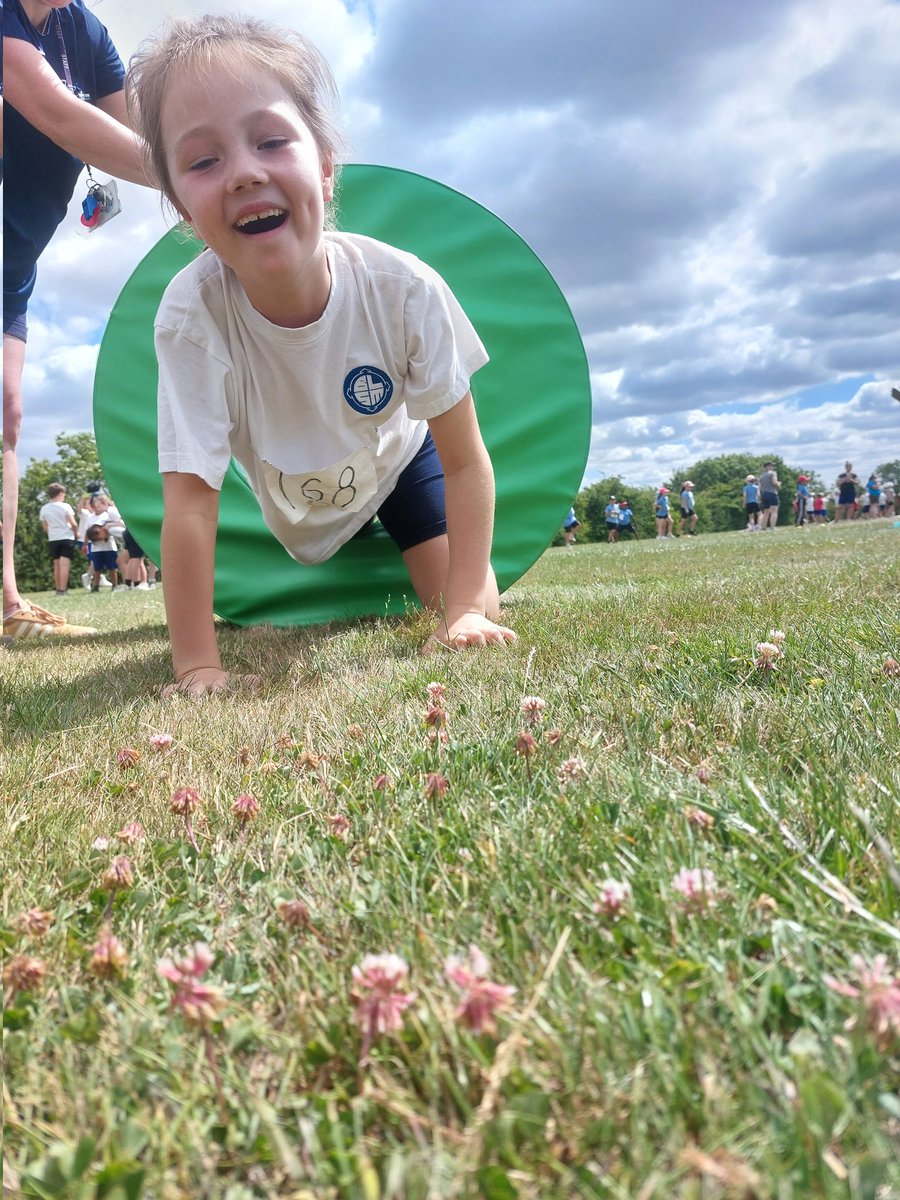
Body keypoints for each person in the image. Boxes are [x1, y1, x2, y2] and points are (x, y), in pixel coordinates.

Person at [126, 14, 517, 695]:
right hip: (292, 495)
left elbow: (463, 458)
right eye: (204, 161)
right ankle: (349, 538)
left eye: (271, 141)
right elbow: (190, 503)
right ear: (183, 210)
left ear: (327, 168)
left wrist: (461, 615)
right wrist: (196, 665)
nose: (245, 173)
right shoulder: (192, 319)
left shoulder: (402, 289)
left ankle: (422, 564)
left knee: (472, 604)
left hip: (399, 459)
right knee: (316, 544)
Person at [3, 0, 149, 639]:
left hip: (15, 262)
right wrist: (199, 173)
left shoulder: (85, 31)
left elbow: (137, 129)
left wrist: (203, 154)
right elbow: (56, 111)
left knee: (7, 413)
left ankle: (6, 604)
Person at [39, 482, 77, 596]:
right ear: (60, 493)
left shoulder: (44, 508)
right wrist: (76, 534)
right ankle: (63, 590)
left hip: (53, 539)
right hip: (66, 537)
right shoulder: (65, 506)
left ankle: (58, 590)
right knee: (64, 565)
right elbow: (73, 524)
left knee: (56, 565)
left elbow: (45, 528)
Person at [85, 524, 119, 591]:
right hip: (96, 549)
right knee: (97, 568)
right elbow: (87, 533)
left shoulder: (108, 516)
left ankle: (115, 585)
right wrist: (85, 544)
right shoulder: (90, 517)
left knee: (112, 568)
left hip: (109, 548)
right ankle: (96, 586)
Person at [758, 462, 780, 529]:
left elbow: (760, 487)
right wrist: (778, 484)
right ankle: (772, 527)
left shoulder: (761, 476)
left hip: (764, 494)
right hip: (772, 493)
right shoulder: (773, 473)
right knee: (774, 510)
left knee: (766, 511)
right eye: (772, 466)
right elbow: (774, 482)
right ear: (768, 466)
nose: (772, 467)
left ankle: (763, 527)